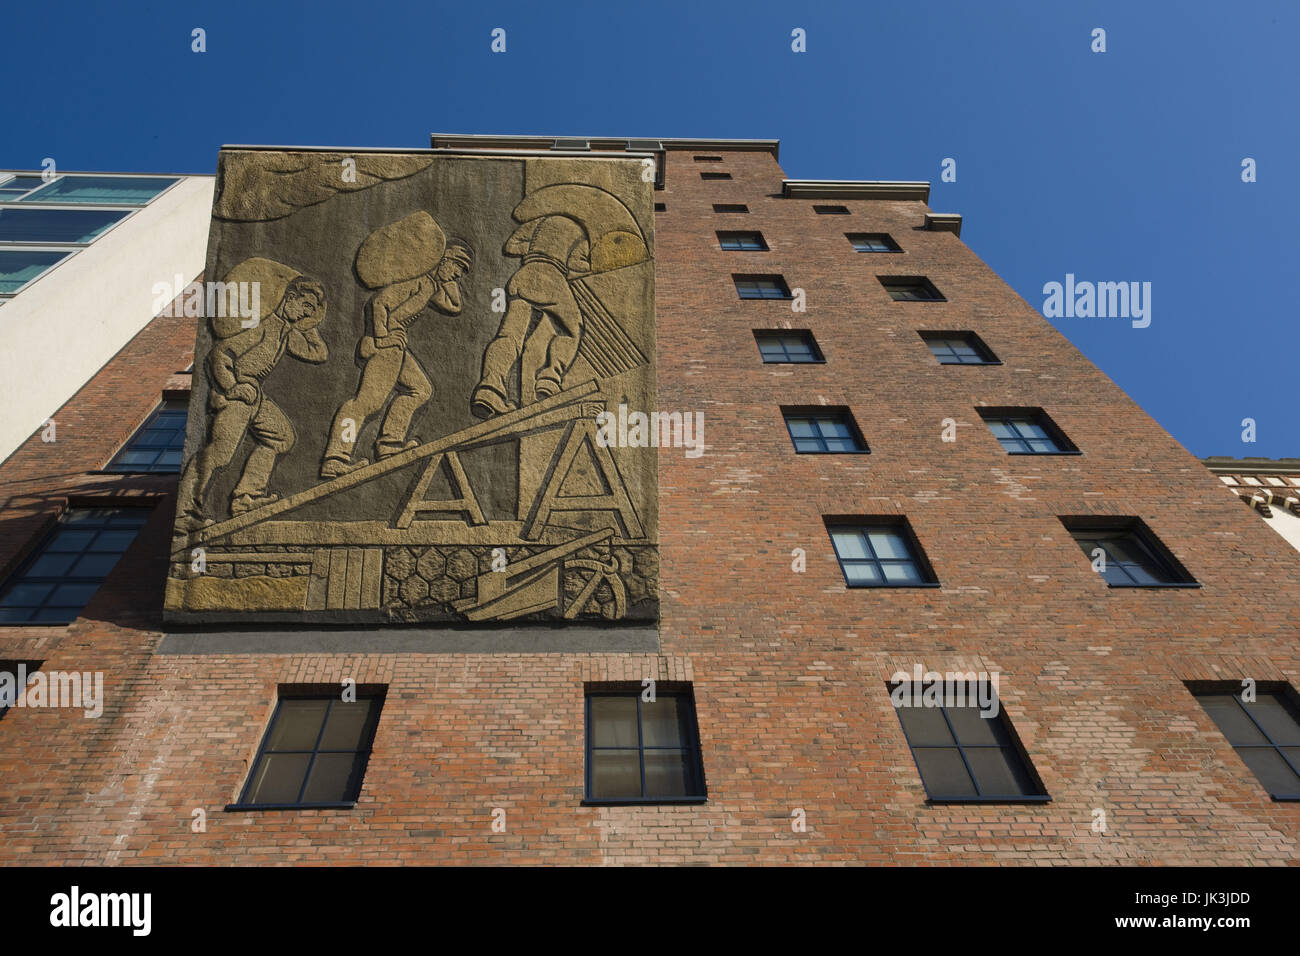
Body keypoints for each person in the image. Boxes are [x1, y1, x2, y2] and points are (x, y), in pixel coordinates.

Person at [175, 259, 327, 532]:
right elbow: (219, 353)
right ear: (290, 298)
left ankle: (246, 497)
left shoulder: (286, 331)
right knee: (220, 453)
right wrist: (231, 386)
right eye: (305, 306)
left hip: (255, 394)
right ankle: (184, 511)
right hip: (238, 395)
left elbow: (318, 354)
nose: (306, 314)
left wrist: (309, 324)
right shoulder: (263, 325)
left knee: (281, 437)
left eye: (311, 310)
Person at [320, 241, 472, 478]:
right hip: (388, 344)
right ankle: (336, 457)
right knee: (367, 403)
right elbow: (379, 303)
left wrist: (449, 278)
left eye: (461, 272)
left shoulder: (431, 285)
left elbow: (454, 305)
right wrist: (382, 338)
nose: (457, 274)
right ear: (443, 259)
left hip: (397, 346)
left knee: (420, 390)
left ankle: (389, 444)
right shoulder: (417, 279)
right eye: (456, 267)